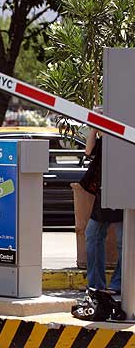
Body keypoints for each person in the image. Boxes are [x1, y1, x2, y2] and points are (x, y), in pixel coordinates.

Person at [81, 112, 123, 295]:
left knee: (125, 241)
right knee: (93, 234)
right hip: (104, 192)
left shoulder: (125, 135)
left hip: (125, 192)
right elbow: (88, 150)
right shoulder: (106, 137)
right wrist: (94, 125)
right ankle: (96, 285)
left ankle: (119, 283)